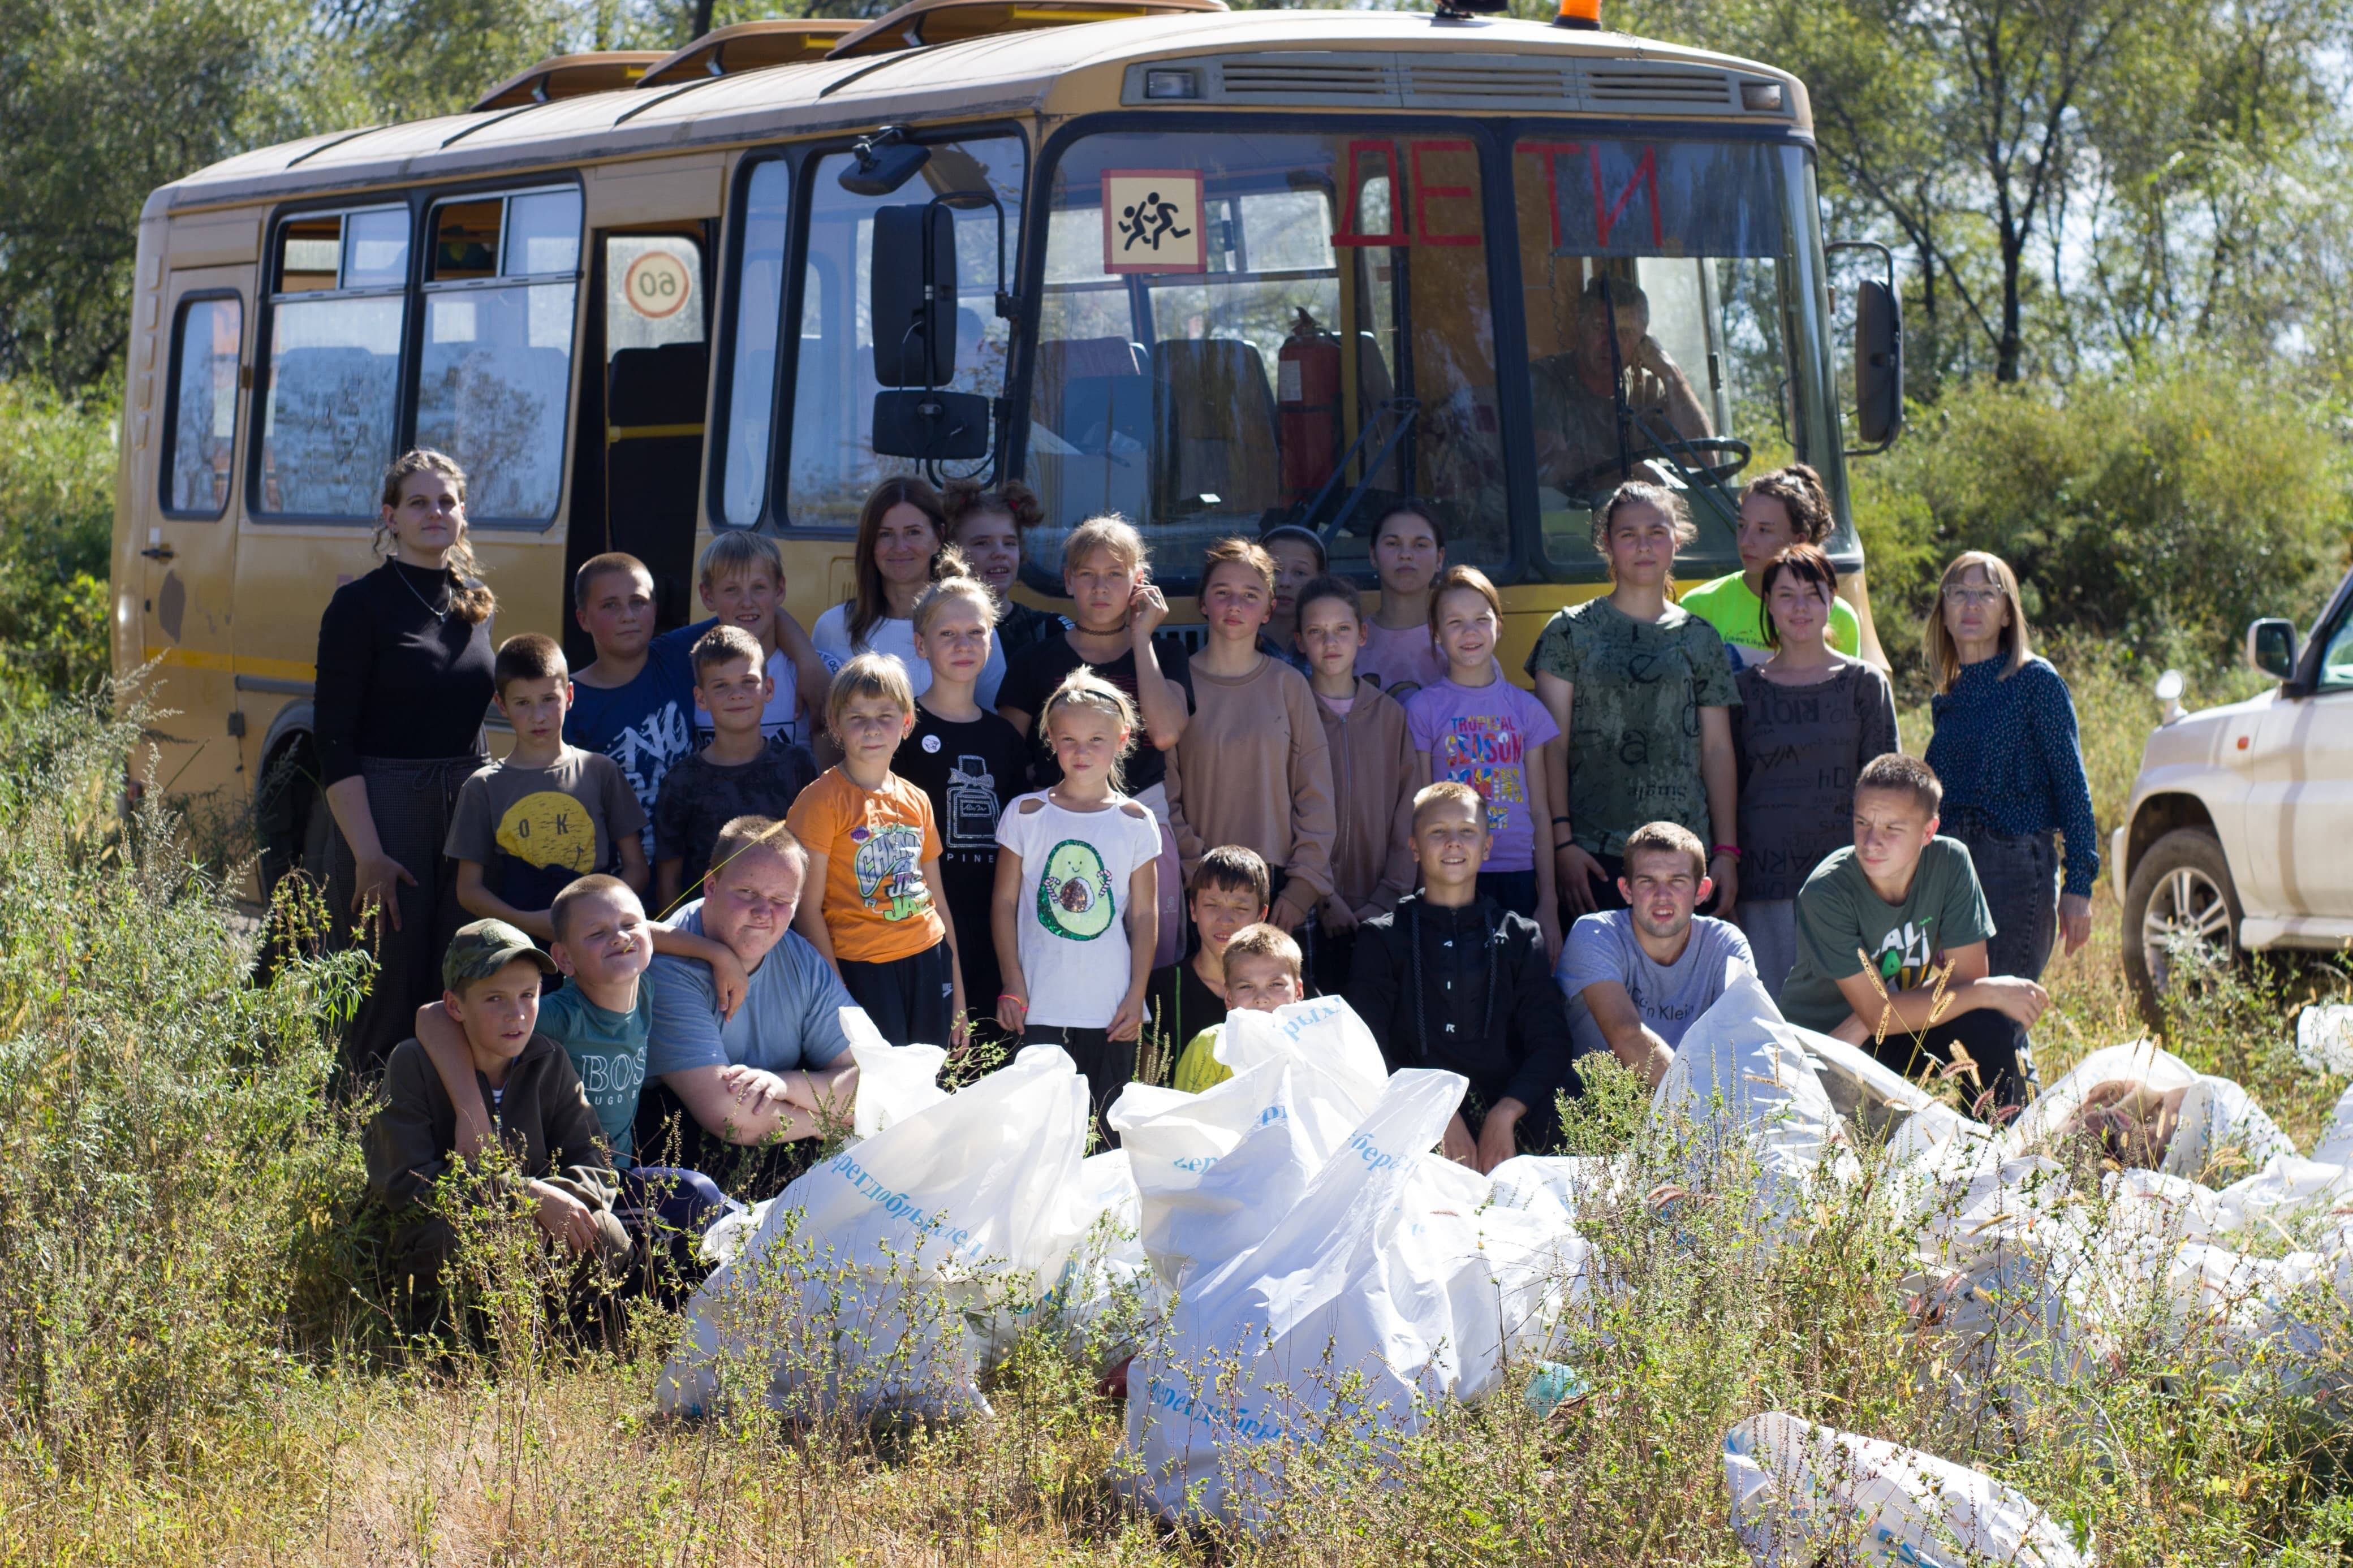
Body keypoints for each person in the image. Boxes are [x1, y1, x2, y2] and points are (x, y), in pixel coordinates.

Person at [410, 878, 734, 1276]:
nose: (619, 937)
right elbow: (434, 1015)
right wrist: (471, 1111)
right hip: (569, 1181)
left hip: (611, 1174)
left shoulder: (647, 988)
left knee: (702, 1198)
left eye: (630, 926)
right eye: (597, 933)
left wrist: (718, 954)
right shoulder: (553, 1015)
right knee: (691, 1199)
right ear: (564, 960)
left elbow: (649, 933)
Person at [317, 449, 498, 1079]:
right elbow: (333, 740)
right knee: (384, 986)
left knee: (463, 978)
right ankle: (362, 1129)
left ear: (462, 515)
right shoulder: (358, 607)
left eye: (446, 501)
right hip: (385, 811)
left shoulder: (475, 605)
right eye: (418, 502)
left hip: (466, 805)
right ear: (389, 517)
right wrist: (368, 852)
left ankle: (452, 1129)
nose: (434, 513)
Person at [366, 918, 632, 1328]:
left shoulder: (549, 1060)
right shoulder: (414, 1063)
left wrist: (552, 1206)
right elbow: (406, 1185)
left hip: (534, 1241)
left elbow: (595, 1158)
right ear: (455, 1006)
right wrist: (522, 1197)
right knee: (445, 1240)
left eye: (529, 994)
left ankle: (550, 1336)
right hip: (455, 1231)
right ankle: (452, 1347)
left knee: (606, 1232)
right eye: (494, 999)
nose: (517, 1014)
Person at [1779, 754, 2049, 1112]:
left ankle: (1990, 1153)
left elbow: (1964, 985)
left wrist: (1976, 993)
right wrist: (1987, 990)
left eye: (1892, 828)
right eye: (1863, 823)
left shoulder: (1951, 863)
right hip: (1827, 1046)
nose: (1872, 841)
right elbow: (1884, 1014)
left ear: (1928, 831)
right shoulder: (1826, 892)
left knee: (1985, 1023)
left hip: (1895, 1026)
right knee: (1983, 999)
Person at [1529, 482, 1740, 921]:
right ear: (1607, 544)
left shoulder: (1700, 637)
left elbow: (1718, 749)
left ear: (1676, 540)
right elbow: (1552, 746)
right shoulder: (1568, 632)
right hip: (1593, 855)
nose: (1643, 546)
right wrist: (1562, 843)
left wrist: (1726, 851)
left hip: (1686, 856)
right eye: (1628, 534)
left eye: (1656, 532)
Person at [1347, 783, 1582, 1173]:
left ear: (1486, 847)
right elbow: (1366, 1047)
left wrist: (1506, 1112)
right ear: (1415, 847)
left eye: (1467, 831)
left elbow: (1551, 1042)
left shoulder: (1521, 936)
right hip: (1414, 1117)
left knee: (1569, 1100)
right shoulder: (1382, 937)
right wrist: (1435, 1114)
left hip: (1511, 1120)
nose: (1453, 842)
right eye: (1438, 831)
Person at [997, 514, 1192, 965]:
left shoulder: (1167, 654)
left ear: (1138, 582)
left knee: (1153, 961)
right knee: (1065, 954)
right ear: (1068, 581)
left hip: (1144, 822)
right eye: (1087, 574)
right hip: (1058, 828)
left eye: (1115, 575)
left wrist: (1141, 637)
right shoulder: (1035, 659)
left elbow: (1163, 733)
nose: (1100, 588)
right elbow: (1008, 752)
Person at [1922, 550, 2098, 1025]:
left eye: (1986, 593)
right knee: (1963, 1018)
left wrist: (2079, 884)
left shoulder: (2034, 681)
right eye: (1959, 593)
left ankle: (2023, 1103)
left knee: (2003, 1024)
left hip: (2017, 870)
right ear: (1944, 611)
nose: (1971, 604)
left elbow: (2072, 783)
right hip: (1954, 874)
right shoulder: (1949, 696)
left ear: (2007, 612)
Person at [640, 817, 864, 1187]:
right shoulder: (668, 969)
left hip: (774, 1148)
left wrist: (784, 1085)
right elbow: (729, 1116)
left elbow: (872, 1077)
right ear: (711, 885)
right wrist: (831, 1119)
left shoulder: (801, 959)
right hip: (684, 1160)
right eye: (747, 893)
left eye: (781, 901)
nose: (764, 913)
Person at [993, 672, 1164, 1142]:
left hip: (1110, 1012)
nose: (1082, 751)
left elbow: (1146, 915)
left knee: (1106, 1136)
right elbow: (1004, 903)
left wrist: (1136, 995)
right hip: (1036, 1006)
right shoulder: (1026, 813)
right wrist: (1012, 981)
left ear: (1123, 738)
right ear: (1051, 739)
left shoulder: (1136, 821)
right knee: (1035, 1136)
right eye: (1068, 739)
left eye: (1096, 739)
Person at [1730, 545, 1900, 997]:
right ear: (1767, 602)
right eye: (1786, 595)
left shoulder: (1865, 684)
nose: (1800, 607)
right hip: (1764, 882)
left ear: (1832, 600)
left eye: (1813, 593)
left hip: (1848, 881)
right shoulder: (1742, 690)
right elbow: (1727, 785)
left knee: (1853, 1019)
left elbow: (1889, 789)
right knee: (1775, 1016)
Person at [786, 655, 964, 1049]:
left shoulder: (917, 799)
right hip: (861, 968)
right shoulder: (820, 801)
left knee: (925, 1081)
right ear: (835, 725)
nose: (871, 728)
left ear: (906, 723)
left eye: (885, 715)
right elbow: (806, 907)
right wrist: (837, 991)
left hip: (927, 957)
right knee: (875, 1091)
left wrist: (960, 997)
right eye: (856, 717)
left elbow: (937, 901)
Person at [1166, 537, 1337, 938]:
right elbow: (1165, 796)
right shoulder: (1175, 684)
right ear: (1203, 603)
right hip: (1203, 890)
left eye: (1250, 595)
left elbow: (1316, 797)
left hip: (1280, 893)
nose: (1235, 605)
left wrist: (1301, 889)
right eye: (1222, 593)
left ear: (1269, 609)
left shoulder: (1289, 685)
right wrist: (1199, 875)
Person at [894, 560, 1032, 1044]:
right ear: (920, 644)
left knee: (991, 1059)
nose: (963, 644)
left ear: (992, 641)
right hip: (922, 923)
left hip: (993, 923)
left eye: (976, 632)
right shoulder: (901, 732)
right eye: (947, 633)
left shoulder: (1005, 737)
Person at [445, 634, 648, 943]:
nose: (538, 716)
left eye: (548, 700)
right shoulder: (483, 786)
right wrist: (526, 922)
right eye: (523, 703)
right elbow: (469, 890)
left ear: (568, 695)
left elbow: (637, 867)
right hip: (518, 943)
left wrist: (600, 917)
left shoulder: (601, 771)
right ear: (501, 705)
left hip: (597, 939)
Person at [1406, 565, 1563, 956]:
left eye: (1481, 619)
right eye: (1455, 622)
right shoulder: (1423, 708)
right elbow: (1419, 811)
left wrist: (1550, 902)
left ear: (1499, 625)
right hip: (1450, 872)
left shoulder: (1527, 709)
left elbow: (1540, 812)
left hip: (1516, 872)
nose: (1470, 631)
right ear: (1437, 634)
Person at [1555, 822, 1754, 1087]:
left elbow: (1743, 1033)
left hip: (1694, 1112)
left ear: (1702, 891)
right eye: (1648, 881)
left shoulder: (1726, 943)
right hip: (1601, 1115)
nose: (1662, 896)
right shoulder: (1593, 934)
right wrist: (1696, 1112)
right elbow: (1627, 1034)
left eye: (1678, 882)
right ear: (1626, 890)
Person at [1295, 574, 1417, 990]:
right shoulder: (1291, 713)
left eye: (1342, 629)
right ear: (1299, 640)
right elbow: (1286, 810)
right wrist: (1323, 895)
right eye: (1316, 632)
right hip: (1312, 908)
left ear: (1362, 634)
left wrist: (1387, 898)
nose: (1331, 642)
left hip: (1383, 907)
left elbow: (1408, 813)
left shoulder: (1391, 716)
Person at [652, 625, 820, 911]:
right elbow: (669, 881)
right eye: (721, 685)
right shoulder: (681, 781)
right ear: (701, 698)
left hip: (784, 927)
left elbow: (815, 864)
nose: (736, 694)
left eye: (748, 681)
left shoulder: (798, 766)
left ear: (768, 689)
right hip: (706, 939)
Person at [813, 477, 1006, 708]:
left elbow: (994, 716)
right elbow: (821, 726)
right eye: (885, 534)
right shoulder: (833, 627)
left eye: (913, 532)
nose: (900, 547)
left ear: (938, 538)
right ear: (869, 544)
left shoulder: (972, 626)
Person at [1528, 278, 1710, 499]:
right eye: (1600, 328)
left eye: (1625, 332)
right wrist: (1634, 470)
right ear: (1580, 326)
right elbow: (1549, 467)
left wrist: (1672, 375)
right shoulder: (1546, 380)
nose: (1611, 342)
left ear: (1643, 340)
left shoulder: (1647, 389)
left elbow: (1703, 460)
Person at [1679, 465, 1866, 671]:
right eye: (1742, 526)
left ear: (1800, 539)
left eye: (1764, 530)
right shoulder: (1698, 607)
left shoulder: (1840, 618)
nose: (1746, 541)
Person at [692, 531, 833, 748]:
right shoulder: (690, 669)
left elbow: (827, 775)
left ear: (779, 589)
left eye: (758, 588)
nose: (747, 602)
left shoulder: (815, 675)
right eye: (732, 590)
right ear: (708, 596)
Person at [1141, 846, 1271, 1081]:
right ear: (1193, 909)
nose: (1225, 920)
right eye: (1212, 905)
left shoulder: (1284, 987)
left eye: (1240, 908)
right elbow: (1146, 1085)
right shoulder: (1162, 990)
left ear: (1262, 916)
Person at [1167, 923, 1308, 1093]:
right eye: (1247, 987)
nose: (1261, 999)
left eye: (1276, 984)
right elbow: (1188, 1116)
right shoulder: (1208, 1046)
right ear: (1229, 999)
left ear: (1298, 991)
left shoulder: (1315, 1042)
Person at [943, 478, 1063, 660]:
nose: (1000, 553)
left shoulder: (1050, 630)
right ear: (952, 551)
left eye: (1009, 543)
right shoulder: (933, 631)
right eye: (982, 543)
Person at [1358, 501, 1450, 697]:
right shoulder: (1347, 640)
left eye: (1420, 545)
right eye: (1392, 543)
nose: (1406, 555)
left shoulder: (1462, 641)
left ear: (1440, 559)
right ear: (1373, 555)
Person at [1259, 522, 1326, 673]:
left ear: (1320, 579)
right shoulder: (1238, 641)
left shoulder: (1331, 644)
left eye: (1300, 573)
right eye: (1275, 571)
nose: (1285, 583)